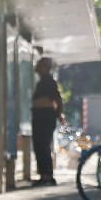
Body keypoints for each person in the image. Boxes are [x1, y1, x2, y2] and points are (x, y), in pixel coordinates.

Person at [30, 57, 65, 186]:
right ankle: (44, 174)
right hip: (41, 116)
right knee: (40, 146)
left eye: (39, 65)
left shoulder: (49, 81)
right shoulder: (42, 81)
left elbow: (57, 99)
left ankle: (47, 176)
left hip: (44, 117)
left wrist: (59, 114)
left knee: (43, 146)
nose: (36, 68)